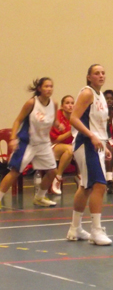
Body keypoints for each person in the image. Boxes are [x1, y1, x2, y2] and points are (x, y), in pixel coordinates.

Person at [66, 64, 113, 245]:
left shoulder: (100, 95)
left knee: (86, 186)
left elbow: (97, 123)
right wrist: (92, 136)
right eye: (96, 73)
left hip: (96, 143)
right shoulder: (87, 93)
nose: (101, 75)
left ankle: (75, 228)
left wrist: (104, 143)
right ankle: (96, 230)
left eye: (103, 72)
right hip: (85, 143)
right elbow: (74, 118)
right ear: (89, 77)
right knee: (99, 185)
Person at [0, 77, 61, 208]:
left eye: (51, 86)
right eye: (46, 86)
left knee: (52, 172)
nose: (49, 89)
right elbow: (18, 120)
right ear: (39, 88)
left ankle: (39, 197)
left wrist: (58, 125)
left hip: (44, 143)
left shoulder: (54, 104)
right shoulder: (31, 103)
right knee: (15, 172)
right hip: (28, 143)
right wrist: (13, 138)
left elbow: (54, 120)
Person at [49, 95, 82, 195]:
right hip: (53, 146)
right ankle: (58, 178)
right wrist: (71, 131)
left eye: (72, 103)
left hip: (70, 148)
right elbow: (56, 139)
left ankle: (80, 175)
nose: (70, 105)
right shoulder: (57, 117)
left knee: (77, 149)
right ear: (62, 106)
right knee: (70, 149)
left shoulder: (76, 117)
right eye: (67, 103)